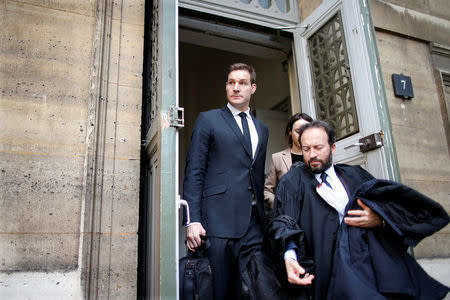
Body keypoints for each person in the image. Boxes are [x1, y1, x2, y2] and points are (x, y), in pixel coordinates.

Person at [266, 120, 450, 300]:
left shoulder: (355, 175)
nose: (312, 154)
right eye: (306, 149)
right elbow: (284, 221)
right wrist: (289, 257)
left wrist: (380, 218)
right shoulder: (292, 182)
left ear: (333, 147)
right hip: (327, 267)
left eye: (318, 147)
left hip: (367, 261)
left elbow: (392, 207)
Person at [183, 63, 269, 299]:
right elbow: (194, 171)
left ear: (253, 87)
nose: (235, 88)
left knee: (255, 290)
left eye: (242, 83)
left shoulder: (262, 129)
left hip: (254, 225)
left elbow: (256, 175)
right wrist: (193, 220)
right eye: (231, 82)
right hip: (217, 222)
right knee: (219, 291)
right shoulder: (208, 120)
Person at [264, 113, 312, 214]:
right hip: (289, 216)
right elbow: (267, 190)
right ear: (290, 132)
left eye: (306, 131)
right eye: (298, 131)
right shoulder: (277, 158)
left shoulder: (316, 156)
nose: (302, 136)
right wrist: (280, 206)